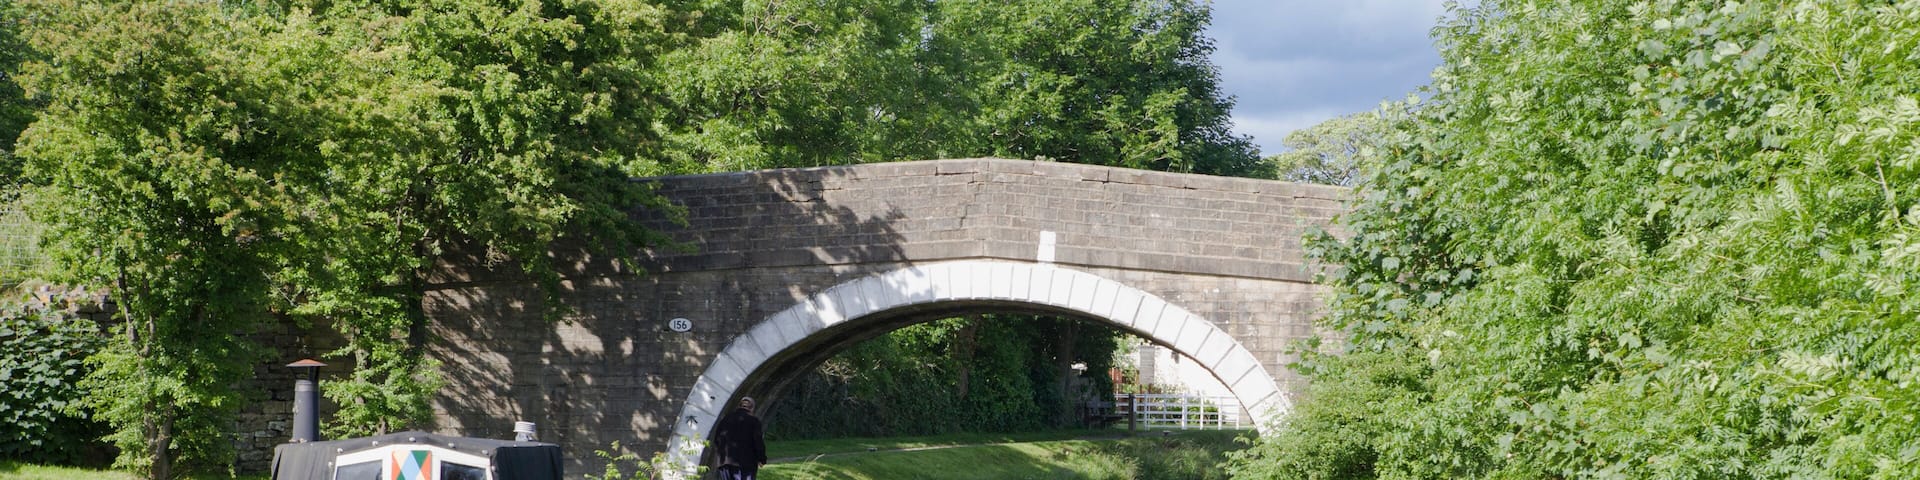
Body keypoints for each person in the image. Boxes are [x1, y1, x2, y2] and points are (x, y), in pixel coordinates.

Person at [711, 397, 767, 480]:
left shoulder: (725, 419)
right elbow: (758, 442)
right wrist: (762, 459)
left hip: (725, 463)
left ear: (739, 406)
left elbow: (717, 439)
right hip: (746, 463)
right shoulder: (754, 421)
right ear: (751, 408)